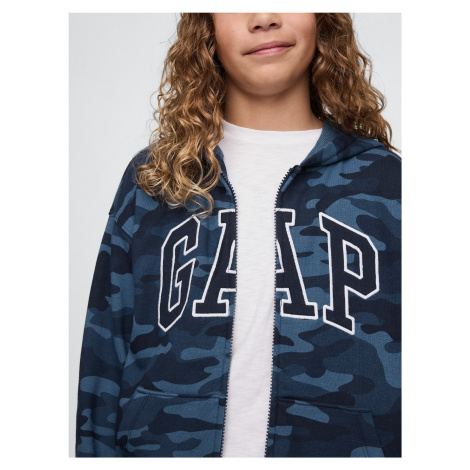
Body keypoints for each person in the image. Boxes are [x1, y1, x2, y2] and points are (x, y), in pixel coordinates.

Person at [75, 13, 401, 458]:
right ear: (206, 26)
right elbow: (104, 353)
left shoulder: (389, 183)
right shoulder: (154, 179)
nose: (264, 18)